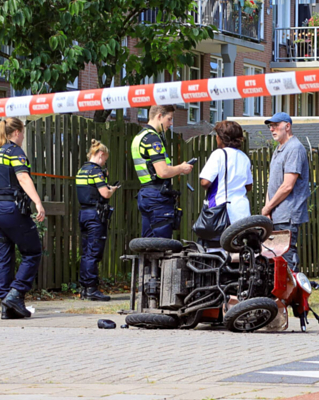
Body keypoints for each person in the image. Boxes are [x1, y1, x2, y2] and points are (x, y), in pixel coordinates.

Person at [0, 117, 45, 320]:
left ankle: (6, 305)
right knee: (33, 251)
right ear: (17, 132)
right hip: (8, 209)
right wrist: (38, 202)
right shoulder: (14, 151)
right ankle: (15, 293)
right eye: (23, 133)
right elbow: (23, 177)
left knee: (4, 256)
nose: (23, 137)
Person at [131, 105, 193, 238]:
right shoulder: (153, 139)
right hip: (157, 197)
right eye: (169, 119)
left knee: (148, 244)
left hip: (146, 194)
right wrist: (181, 168)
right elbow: (163, 172)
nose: (170, 124)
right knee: (162, 245)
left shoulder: (139, 137)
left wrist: (175, 170)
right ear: (159, 116)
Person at [261, 112, 310, 271]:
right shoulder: (279, 149)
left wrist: (268, 208)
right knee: (275, 257)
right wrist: (267, 208)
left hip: (287, 213)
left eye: (276, 125)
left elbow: (287, 186)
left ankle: (294, 294)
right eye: (270, 126)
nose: (272, 129)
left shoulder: (295, 148)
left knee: (287, 256)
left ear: (287, 126)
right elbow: (273, 184)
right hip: (275, 213)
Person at [76, 139, 120, 301]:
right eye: (105, 159)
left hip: (84, 214)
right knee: (94, 252)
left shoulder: (82, 170)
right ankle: (92, 289)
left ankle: (84, 288)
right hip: (95, 215)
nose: (104, 162)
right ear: (101, 155)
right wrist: (112, 189)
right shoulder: (96, 171)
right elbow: (105, 194)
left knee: (86, 251)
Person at [199, 121, 253, 241]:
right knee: (238, 249)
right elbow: (248, 187)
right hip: (242, 211)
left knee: (217, 250)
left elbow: (205, 182)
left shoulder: (219, 154)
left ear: (221, 138)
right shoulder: (244, 157)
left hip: (221, 210)